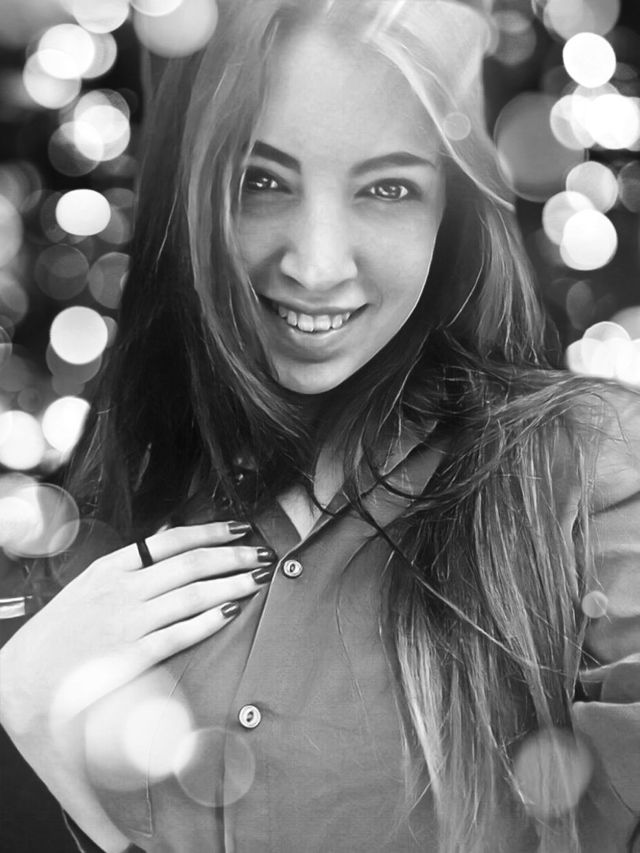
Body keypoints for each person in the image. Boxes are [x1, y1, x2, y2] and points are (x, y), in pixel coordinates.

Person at [1, 0, 640, 851]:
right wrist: (26, 707)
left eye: (388, 188)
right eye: (261, 182)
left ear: (451, 213)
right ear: (195, 194)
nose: (316, 263)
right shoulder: (120, 489)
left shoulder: (592, 465)